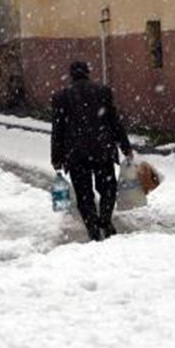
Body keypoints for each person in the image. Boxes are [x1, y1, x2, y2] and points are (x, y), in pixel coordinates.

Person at [51, 61, 133, 241]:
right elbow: (114, 122)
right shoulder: (103, 92)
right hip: (102, 150)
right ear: (88, 73)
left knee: (84, 194)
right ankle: (104, 219)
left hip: (76, 154)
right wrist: (125, 147)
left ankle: (93, 229)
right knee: (107, 189)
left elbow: (58, 130)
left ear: (71, 75)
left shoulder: (61, 97)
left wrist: (56, 158)